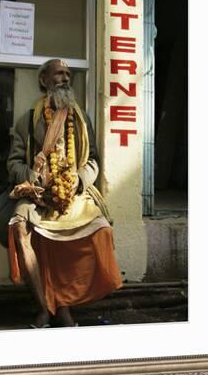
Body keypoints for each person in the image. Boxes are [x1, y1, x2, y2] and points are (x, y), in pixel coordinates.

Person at [7, 59, 123, 328]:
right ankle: (44, 307)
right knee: (20, 226)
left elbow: (93, 160)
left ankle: (64, 305)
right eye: (59, 74)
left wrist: (78, 181)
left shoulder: (82, 120)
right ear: (44, 81)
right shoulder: (28, 120)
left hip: (75, 192)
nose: (65, 78)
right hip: (37, 194)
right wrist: (35, 178)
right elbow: (13, 163)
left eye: (69, 74)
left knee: (100, 229)